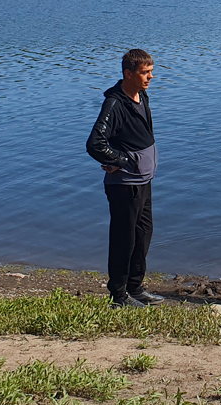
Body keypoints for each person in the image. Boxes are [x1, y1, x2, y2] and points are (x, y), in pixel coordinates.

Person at [85, 49, 164, 308]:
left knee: (143, 234)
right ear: (128, 74)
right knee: (124, 239)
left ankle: (135, 288)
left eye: (151, 71)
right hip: (125, 184)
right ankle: (118, 297)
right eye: (145, 72)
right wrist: (121, 161)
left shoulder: (142, 96)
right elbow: (95, 144)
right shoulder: (115, 103)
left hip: (143, 181)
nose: (150, 76)